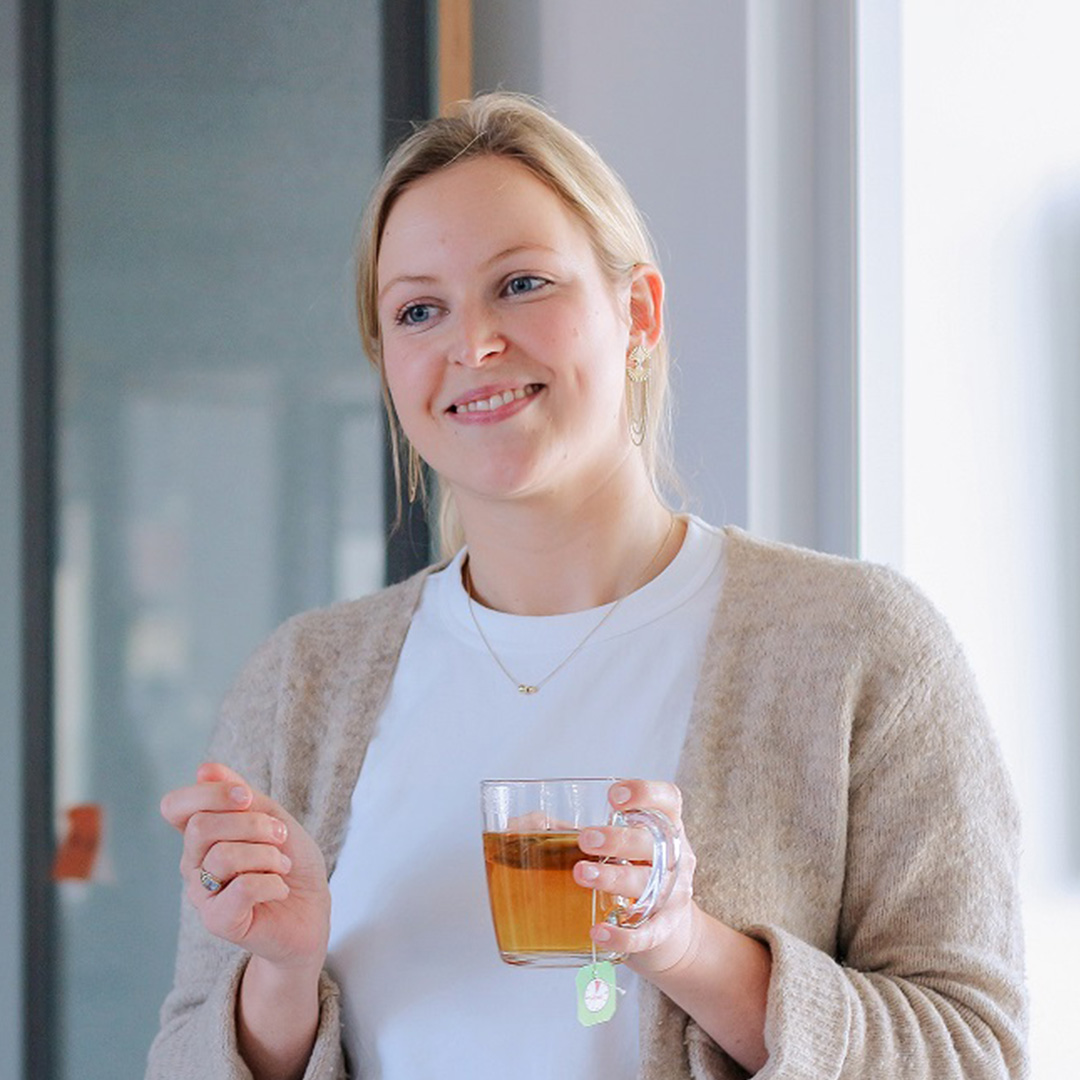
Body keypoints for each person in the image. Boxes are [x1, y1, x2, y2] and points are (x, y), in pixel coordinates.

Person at [147, 93, 1027, 1080]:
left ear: (637, 312)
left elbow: (972, 1055)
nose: (472, 345)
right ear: (388, 364)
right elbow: (186, 1056)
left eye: (522, 284)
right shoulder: (300, 683)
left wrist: (685, 947)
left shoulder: (864, 649)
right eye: (419, 310)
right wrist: (283, 970)